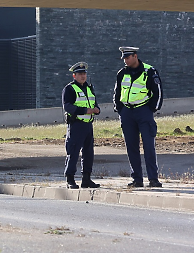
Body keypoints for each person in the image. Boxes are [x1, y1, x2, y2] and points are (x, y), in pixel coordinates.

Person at [113, 46, 163, 188]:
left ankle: (153, 179)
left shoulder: (149, 71)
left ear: (135, 56)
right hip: (127, 112)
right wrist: (119, 109)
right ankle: (137, 179)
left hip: (143, 111)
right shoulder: (122, 73)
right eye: (124, 58)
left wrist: (152, 109)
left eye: (128, 57)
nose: (126, 61)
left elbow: (158, 92)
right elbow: (117, 92)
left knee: (149, 146)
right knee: (131, 147)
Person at [62, 62, 101, 189]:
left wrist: (97, 110)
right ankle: (70, 179)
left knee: (88, 153)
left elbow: (94, 103)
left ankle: (86, 179)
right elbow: (67, 106)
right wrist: (85, 111)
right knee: (73, 152)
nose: (83, 76)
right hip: (76, 124)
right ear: (74, 75)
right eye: (79, 74)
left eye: (84, 73)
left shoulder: (89, 88)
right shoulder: (70, 89)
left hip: (88, 125)